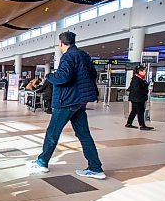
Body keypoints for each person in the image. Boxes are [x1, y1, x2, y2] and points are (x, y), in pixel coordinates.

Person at [28, 31, 106, 180]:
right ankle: (96, 168)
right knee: (84, 135)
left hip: (66, 101)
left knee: (53, 132)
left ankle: (42, 162)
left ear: (61, 43)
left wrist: (50, 76)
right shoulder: (83, 55)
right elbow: (92, 74)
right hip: (79, 101)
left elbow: (64, 77)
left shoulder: (68, 56)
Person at [125, 65, 154, 130]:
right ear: (140, 71)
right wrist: (145, 91)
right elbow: (137, 89)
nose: (145, 72)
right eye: (144, 71)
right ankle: (142, 125)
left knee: (134, 111)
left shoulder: (141, 78)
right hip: (137, 98)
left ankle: (129, 123)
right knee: (140, 111)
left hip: (138, 97)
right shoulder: (136, 79)